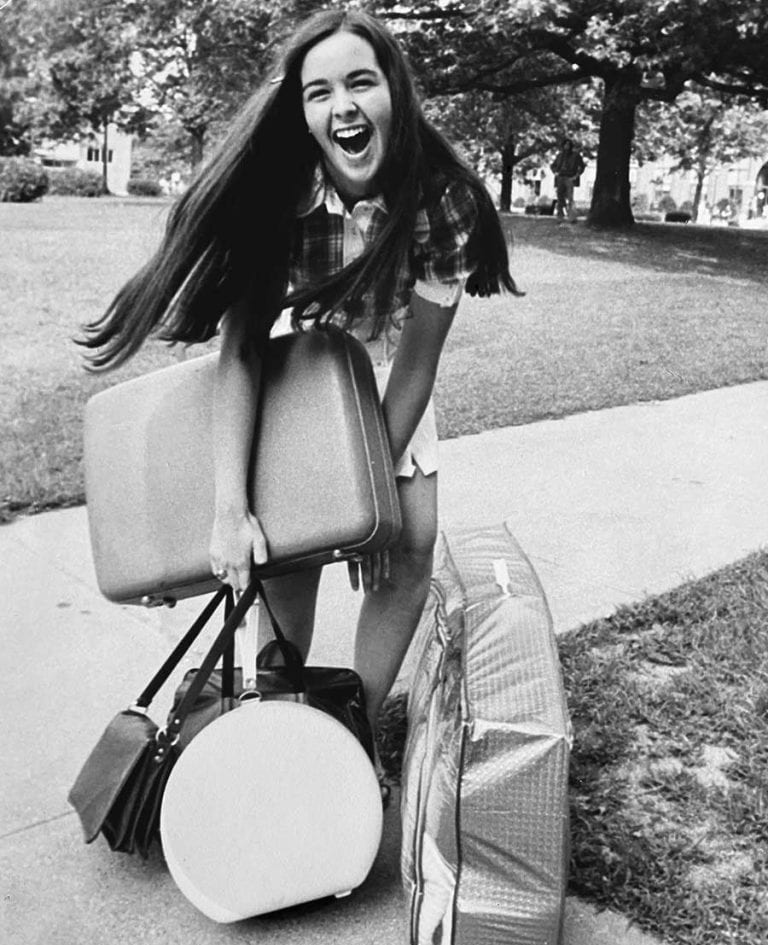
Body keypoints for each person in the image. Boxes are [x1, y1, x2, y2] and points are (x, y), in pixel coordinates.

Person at [80, 9, 522, 790]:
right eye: (319, 92)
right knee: (285, 557)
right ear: (304, 113)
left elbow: (416, 365)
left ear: (395, 91)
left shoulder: (443, 200)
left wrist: (374, 502)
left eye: (360, 81)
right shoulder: (281, 194)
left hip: (386, 378)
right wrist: (229, 509)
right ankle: (274, 732)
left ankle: (352, 739)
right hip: (307, 378)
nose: (341, 106)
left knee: (409, 546)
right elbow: (244, 348)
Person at [551, 138, 585, 223]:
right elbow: (553, 165)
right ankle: (560, 217)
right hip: (560, 177)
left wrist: (576, 176)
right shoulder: (559, 155)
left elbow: (582, 166)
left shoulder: (576, 156)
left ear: (571, 146)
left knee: (570, 198)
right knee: (559, 199)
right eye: (565, 145)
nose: (567, 146)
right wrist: (555, 172)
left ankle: (572, 217)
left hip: (570, 177)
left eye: (568, 145)